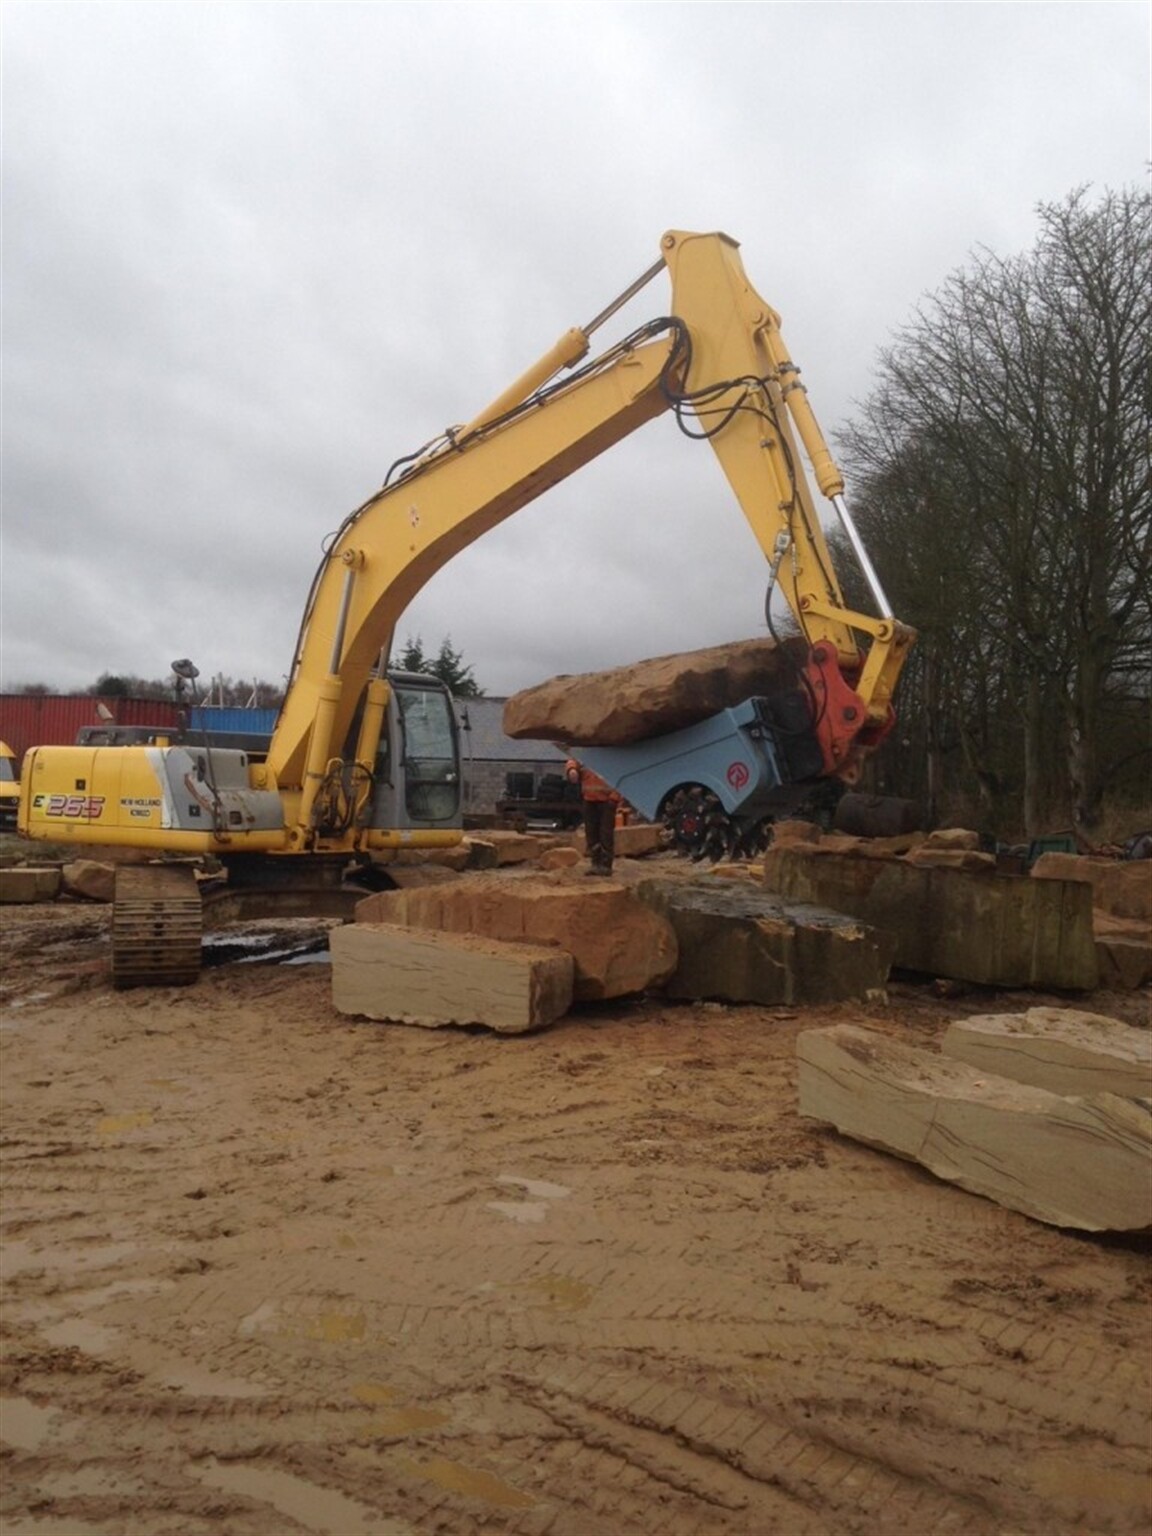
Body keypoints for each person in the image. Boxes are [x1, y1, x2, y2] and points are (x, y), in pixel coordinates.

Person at [565, 757, 620, 876]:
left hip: (607, 800)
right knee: (591, 833)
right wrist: (571, 769)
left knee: (606, 833)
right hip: (589, 799)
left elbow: (622, 774)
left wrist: (614, 797)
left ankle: (606, 865)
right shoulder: (587, 751)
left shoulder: (612, 754)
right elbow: (573, 758)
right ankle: (595, 863)